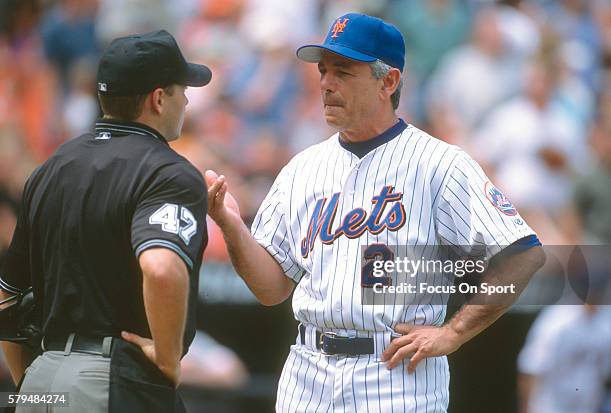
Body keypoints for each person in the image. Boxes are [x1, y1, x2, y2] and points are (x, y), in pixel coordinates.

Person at [205, 12, 545, 412]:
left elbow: (523, 255)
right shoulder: (302, 167)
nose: (327, 84)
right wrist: (230, 225)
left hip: (395, 373)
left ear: (388, 81)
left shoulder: (439, 163)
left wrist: (454, 333)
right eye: (323, 72)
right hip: (307, 372)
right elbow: (271, 289)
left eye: (344, 72)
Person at [0, 30, 211, 412]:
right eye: (182, 89)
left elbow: (6, 297)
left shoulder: (51, 167)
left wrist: (29, 383)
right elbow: (161, 269)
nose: (188, 99)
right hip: (110, 381)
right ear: (158, 99)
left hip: (41, 379)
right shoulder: (168, 172)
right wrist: (167, 356)